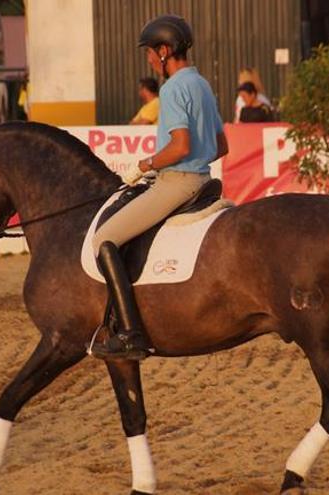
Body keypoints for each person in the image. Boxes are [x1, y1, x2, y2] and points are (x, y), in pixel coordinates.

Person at [91, 14, 228, 360]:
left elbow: (180, 146)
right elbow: (221, 145)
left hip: (177, 182)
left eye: (151, 53)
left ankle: (130, 332)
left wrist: (146, 164)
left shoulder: (172, 89)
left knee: (104, 239)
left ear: (165, 50)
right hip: (203, 180)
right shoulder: (202, 84)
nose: (150, 60)